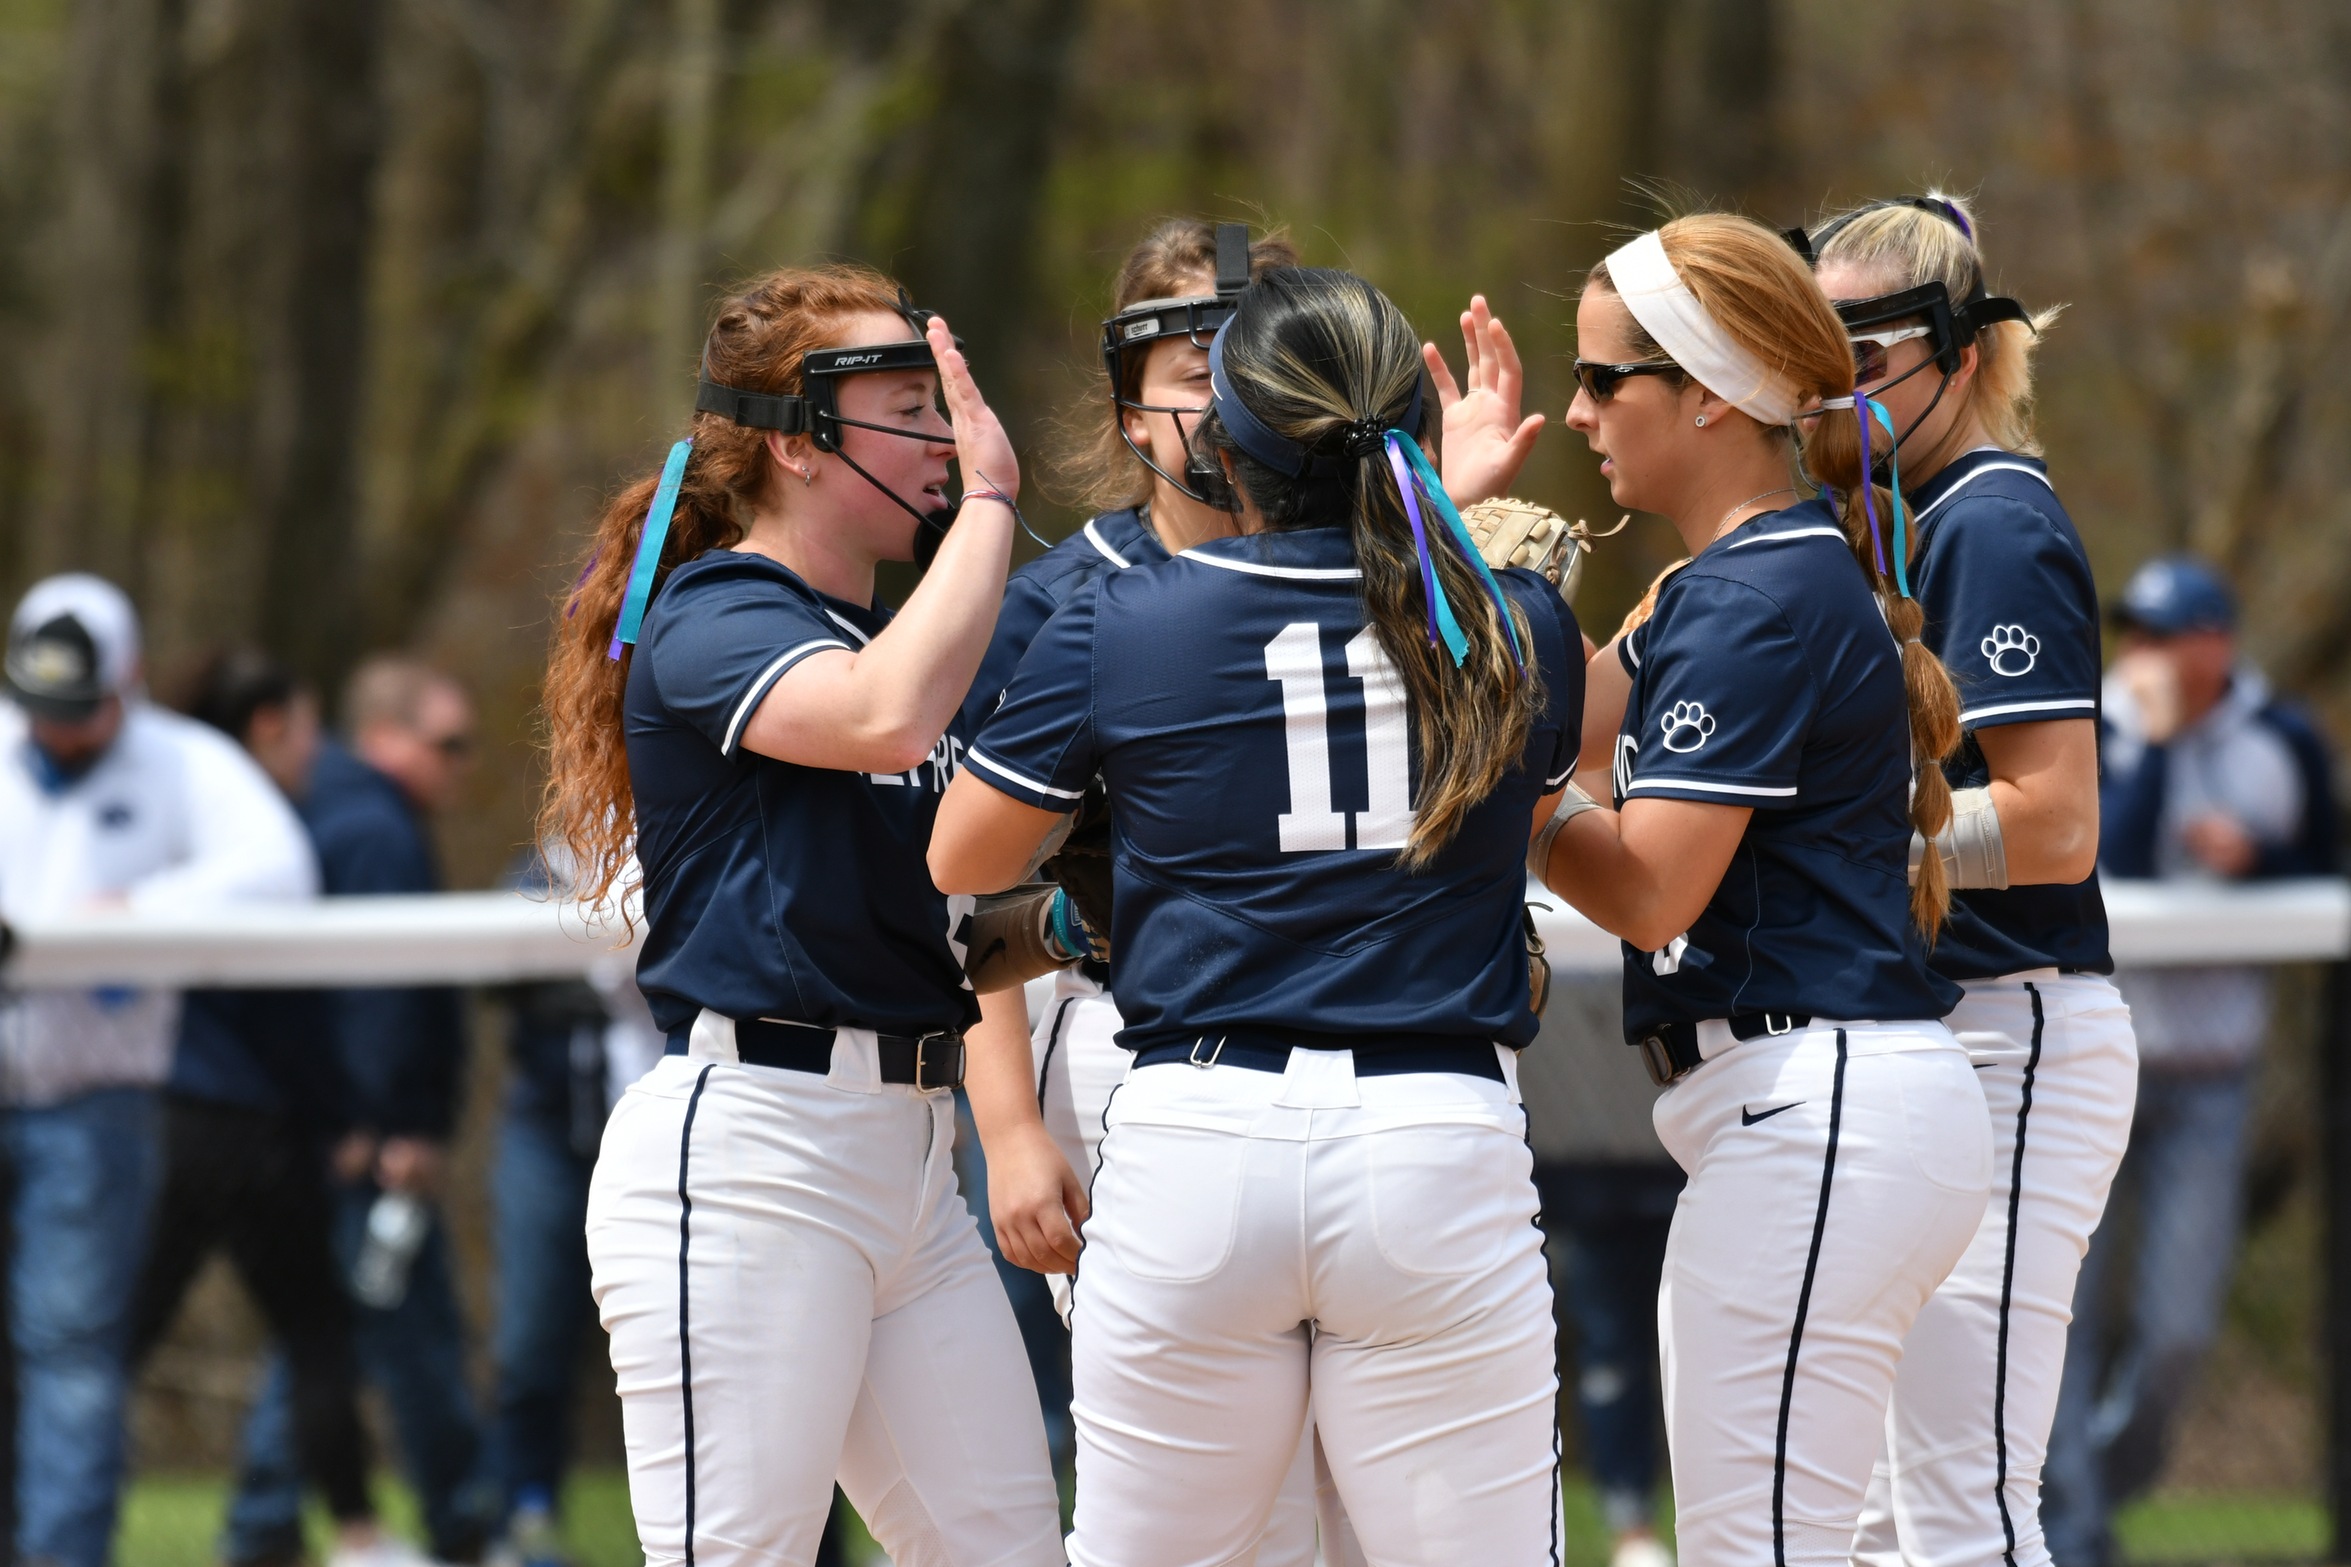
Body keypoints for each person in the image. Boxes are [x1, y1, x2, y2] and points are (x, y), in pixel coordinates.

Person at [932, 264, 1582, 1566]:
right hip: (1429, 1125)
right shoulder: (1514, 621)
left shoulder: (1122, 619)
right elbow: (1429, 648)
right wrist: (1449, 509)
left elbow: (962, 852)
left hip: (1196, 1130)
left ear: (1222, 438)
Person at [543, 264, 1061, 1567]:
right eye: (905, 403)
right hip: (752, 1153)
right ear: (792, 438)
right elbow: (880, 713)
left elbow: (944, 924)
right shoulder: (715, 614)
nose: (942, 431)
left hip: (910, 1158)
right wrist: (994, 501)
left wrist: (1082, 925)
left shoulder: (887, 632)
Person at [1533, 213, 1993, 1567]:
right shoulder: (1729, 580)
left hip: (1815, 1113)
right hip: (1820, 1110)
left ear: (1709, 392)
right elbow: (1567, 710)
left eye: (1603, 378)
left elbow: (1645, 893)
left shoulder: (1754, 597)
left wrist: (1517, 803)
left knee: (1759, 1548)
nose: (1576, 411)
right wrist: (1455, 552)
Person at [1791, 191, 2136, 1567]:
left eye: (1865, 358)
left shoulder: (1987, 517)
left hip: (2014, 1025)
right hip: (1935, 1039)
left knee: (1952, 1510)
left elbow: (2053, 825)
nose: (1838, 393)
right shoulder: (1884, 515)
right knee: (1882, 1520)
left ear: (1960, 350)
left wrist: (1834, 843)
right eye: (1816, 363)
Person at [0, 576, 315, 1567]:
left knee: (74, 1362)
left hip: (97, 1107)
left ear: (128, 682)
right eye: (41, 709)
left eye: (80, 711)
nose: (57, 734)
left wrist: (137, 912)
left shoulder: (188, 764)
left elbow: (281, 874)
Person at [2042, 554, 2335, 1567]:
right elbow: (2098, 856)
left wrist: (2254, 863)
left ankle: (2097, 1489)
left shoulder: (2280, 736)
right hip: (2095, 1064)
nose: (2146, 656)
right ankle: (2071, 1530)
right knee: (2063, 1318)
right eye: (2136, 633)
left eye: (2169, 635)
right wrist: (2159, 748)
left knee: (2174, 1332)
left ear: (2218, 642)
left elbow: (2323, 868)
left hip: (2213, 1075)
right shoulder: (2094, 721)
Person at [131, 648, 424, 1567]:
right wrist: (341, 1115)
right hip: (246, 1126)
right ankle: (358, 1534)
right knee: (317, 1333)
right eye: (306, 728)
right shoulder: (264, 844)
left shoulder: (162, 822)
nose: (316, 750)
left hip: (162, 1118)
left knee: (106, 1345)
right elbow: (292, 1017)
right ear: (267, 725)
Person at [226, 655, 496, 1566]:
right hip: (369, 1144)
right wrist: (389, 1127)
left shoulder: (333, 813)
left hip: (331, 1129)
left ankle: (266, 1522)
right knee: (382, 1338)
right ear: (383, 736)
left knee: (322, 1332)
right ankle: (459, 1524)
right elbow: (378, 998)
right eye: (447, 744)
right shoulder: (375, 828)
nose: (463, 765)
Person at [486, 848, 666, 1567]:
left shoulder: (692, 843)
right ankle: (524, 1519)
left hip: (672, 1145)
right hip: (553, 1142)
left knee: (718, 1334)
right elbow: (500, 978)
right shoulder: (532, 879)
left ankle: (816, 1541)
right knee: (530, 1340)